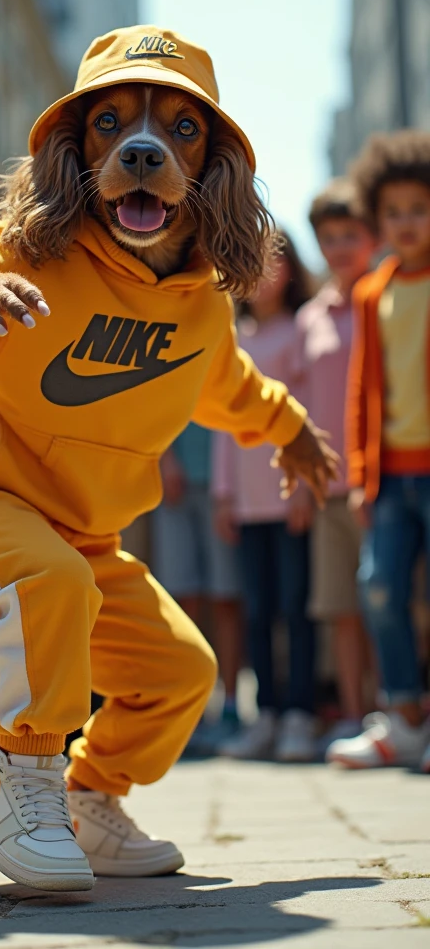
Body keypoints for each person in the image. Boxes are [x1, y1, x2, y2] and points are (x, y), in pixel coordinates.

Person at [0, 26, 336, 892]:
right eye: (111, 128)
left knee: (182, 673)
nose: (141, 147)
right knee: (47, 585)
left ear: (213, 166)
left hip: (84, 538)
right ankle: (18, 775)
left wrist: (289, 430)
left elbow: (228, 385)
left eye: (179, 129)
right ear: (75, 150)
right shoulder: (28, 253)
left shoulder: (202, 305)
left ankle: (92, 802)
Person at [328, 131, 430, 771]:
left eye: (418, 207)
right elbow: (362, 389)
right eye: (392, 211)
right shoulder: (373, 292)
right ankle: (406, 718)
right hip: (390, 476)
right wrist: (363, 475)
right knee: (379, 588)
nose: (406, 222)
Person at [214, 232, 317, 762]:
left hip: (288, 499)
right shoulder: (231, 335)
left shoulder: (300, 331)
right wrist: (224, 495)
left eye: (275, 264)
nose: (265, 275)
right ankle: (267, 714)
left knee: (295, 608)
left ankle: (301, 713)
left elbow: (306, 414)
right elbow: (225, 427)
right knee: (257, 610)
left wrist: (302, 486)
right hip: (247, 504)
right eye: (254, 263)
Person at [298, 178, 377, 748]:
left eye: (352, 234)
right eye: (329, 237)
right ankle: (354, 713)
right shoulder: (310, 318)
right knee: (340, 609)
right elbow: (298, 409)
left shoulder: (388, 300)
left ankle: (402, 710)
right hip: (327, 490)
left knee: (399, 603)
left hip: (385, 483)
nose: (341, 247)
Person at [154, 424, 244, 751]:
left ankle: (231, 707)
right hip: (172, 482)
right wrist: (165, 459)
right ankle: (190, 711)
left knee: (226, 599)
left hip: (223, 488)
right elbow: (156, 404)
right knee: (181, 603)